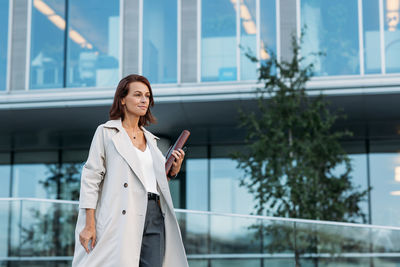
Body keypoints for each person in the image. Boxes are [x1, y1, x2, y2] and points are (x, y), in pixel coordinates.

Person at [72, 74, 189, 267]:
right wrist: (89, 224)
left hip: (154, 212)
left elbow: (153, 184)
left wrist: (173, 170)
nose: (144, 100)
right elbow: (91, 178)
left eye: (147, 96)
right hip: (122, 213)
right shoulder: (107, 133)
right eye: (137, 95)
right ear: (122, 99)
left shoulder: (152, 141)